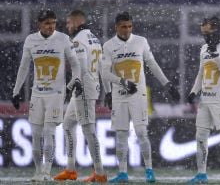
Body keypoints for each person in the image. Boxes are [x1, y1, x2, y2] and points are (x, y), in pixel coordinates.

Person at [102, 12, 180, 183]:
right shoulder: (108, 46)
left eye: (130, 26)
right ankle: (122, 173)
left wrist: (167, 83)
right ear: (116, 27)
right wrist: (110, 91)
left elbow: (152, 64)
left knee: (141, 132)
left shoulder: (141, 41)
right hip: (119, 96)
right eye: (123, 26)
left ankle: (149, 171)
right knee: (121, 135)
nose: (127, 30)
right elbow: (104, 72)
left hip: (138, 95)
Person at [11, 10, 82, 181]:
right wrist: (16, 90)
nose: (51, 27)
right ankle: (37, 171)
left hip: (56, 94)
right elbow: (23, 67)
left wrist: (76, 80)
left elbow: (75, 63)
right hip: (37, 93)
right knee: (35, 134)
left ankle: (46, 172)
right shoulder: (30, 40)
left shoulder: (63, 39)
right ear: (39, 24)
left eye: (54, 23)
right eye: (47, 23)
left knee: (49, 131)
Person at [53, 10, 107, 182]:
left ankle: (100, 172)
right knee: (68, 125)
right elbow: (101, 67)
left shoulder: (77, 40)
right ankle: (70, 170)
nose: (67, 26)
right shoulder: (94, 38)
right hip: (88, 87)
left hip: (83, 89)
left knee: (89, 131)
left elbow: (81, 67)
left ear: (76, 22)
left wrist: (70, 86)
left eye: (69, 23)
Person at [186, 16, 220, 185]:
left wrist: (216, 55)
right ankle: (201, 174)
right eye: (203, 34)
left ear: (217, 29)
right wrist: (194, 91)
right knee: (200, 136)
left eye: (208, 33)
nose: (206, 37)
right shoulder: (204, 48)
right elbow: (201, 73)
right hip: (205, 99)